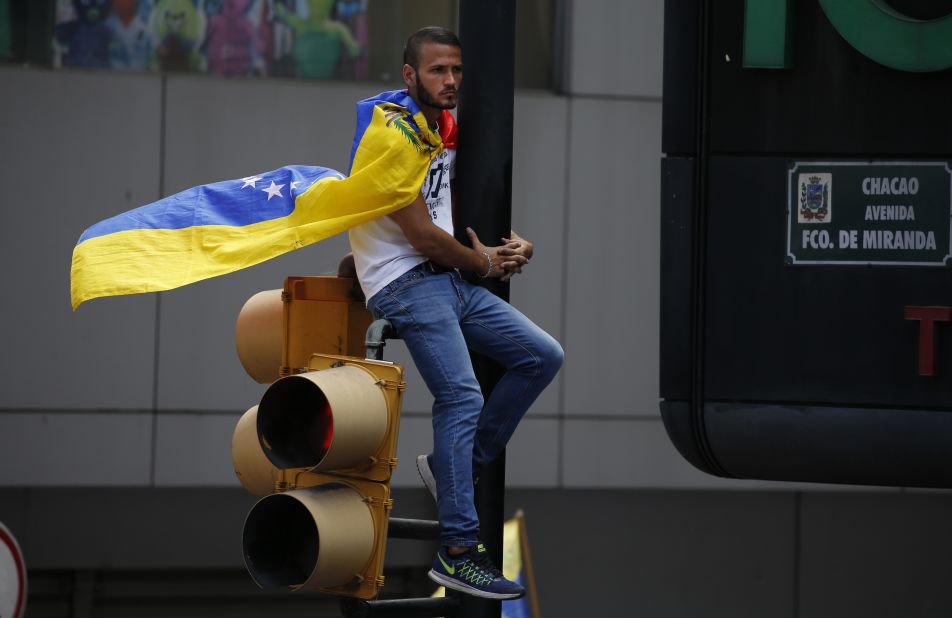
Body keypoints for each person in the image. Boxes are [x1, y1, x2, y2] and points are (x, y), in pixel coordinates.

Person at [347, 26, 563, 600]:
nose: (451, 81)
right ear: (408, 74)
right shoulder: (392, 134)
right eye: (439, 70)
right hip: (405, 281)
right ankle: (457, 551)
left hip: (445, 277)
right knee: (463, 395)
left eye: (457, 71)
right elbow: (421, 236)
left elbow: (453, 214)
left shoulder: (436, 125)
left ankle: (453, 469)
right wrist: (485, 263)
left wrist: (515, 246)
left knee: (541, 356)